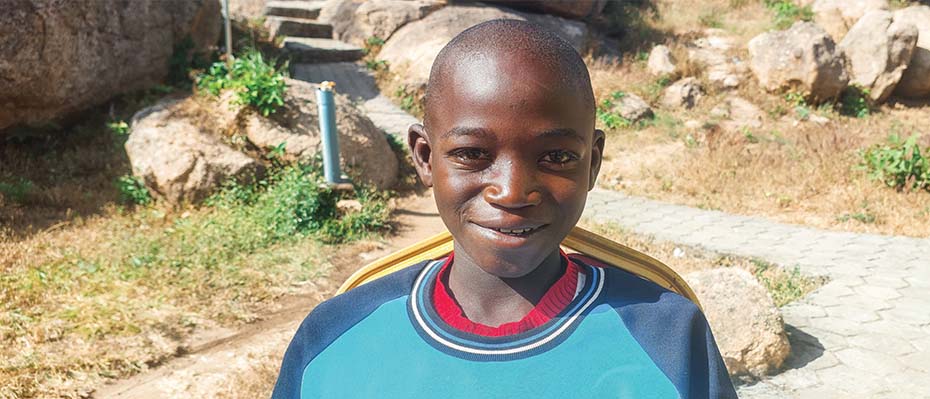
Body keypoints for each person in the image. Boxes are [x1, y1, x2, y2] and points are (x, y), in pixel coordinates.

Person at [272, 19, 737, 399]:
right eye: (472, 154)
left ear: (591, 163)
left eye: (556, 157)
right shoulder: (335, 338)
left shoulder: (668, 336)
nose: (512, 192)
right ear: (424, 157)